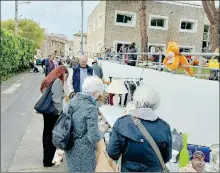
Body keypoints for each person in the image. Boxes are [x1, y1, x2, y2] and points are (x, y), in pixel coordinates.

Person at [107, 85, 172, 172]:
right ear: (156, 103)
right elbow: (166, 158)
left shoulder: (122, 123)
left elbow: (113, 153)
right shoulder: (164, 127)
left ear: (135, 100)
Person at [65, 76, 104, 172]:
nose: (98, 97)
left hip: (69, 144)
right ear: (95, 93)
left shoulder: (73, 100)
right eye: (99, 94)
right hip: (83, 150)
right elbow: (93, 136)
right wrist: (102, 132)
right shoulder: (90, 108)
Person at [40, 66, 69, 167]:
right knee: (54, 136)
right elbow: (57, 101)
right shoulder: (57, 81)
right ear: (62, 73)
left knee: (46, 133)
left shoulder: (49, 80)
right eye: (66, 75)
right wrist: (60, 113)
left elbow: (45, 92)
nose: (66, 78)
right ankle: (49, 161)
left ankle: (46, 159)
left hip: (47, 111)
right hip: (54, 113)